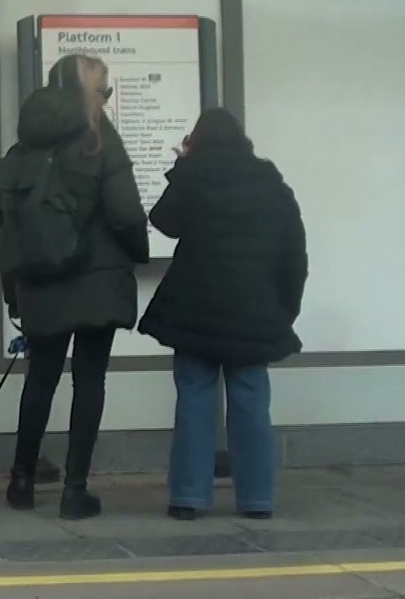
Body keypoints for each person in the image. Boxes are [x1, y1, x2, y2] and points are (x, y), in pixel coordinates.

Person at [0, 54, 150, 520]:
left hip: (39, 280)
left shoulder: (25, 147)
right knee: (89, 380)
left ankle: (21, 480)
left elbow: (8, 224)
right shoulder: (101, 141)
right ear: (88, 93)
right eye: (104, 90)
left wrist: (11, 289)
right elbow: (124, 211)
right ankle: (74, 491)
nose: (107, 98)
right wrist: (136, 251)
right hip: (97, 280)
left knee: (40, 378)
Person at [137, 107, 308, 520]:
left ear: (197, 140)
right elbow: (294, 255)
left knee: (194, 398)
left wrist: (182, 165)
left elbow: (163, 221)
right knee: (250, 400)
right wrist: (284, 309)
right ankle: (257, 499)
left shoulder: (194, 176)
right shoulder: (271, 184)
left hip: (196, 311)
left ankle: (189, 498)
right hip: (254, 312)